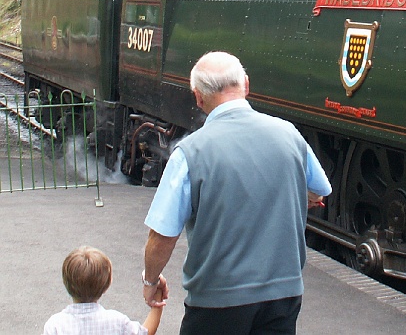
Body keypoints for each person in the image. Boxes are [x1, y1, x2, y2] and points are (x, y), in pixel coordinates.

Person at [142, 51, 332, 335]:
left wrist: (150, 281)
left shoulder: (190, 152)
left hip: (217, 301)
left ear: (198, 97)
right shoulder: (289, 135)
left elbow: (162, 235)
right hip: (283, 295)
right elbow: (320, 190)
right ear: (246, 84)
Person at [44, 245, 164, 335]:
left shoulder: (55, 325)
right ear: (107, 284)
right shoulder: (117, 322)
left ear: (66, 283)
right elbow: (147, 332)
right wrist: (157, 294)